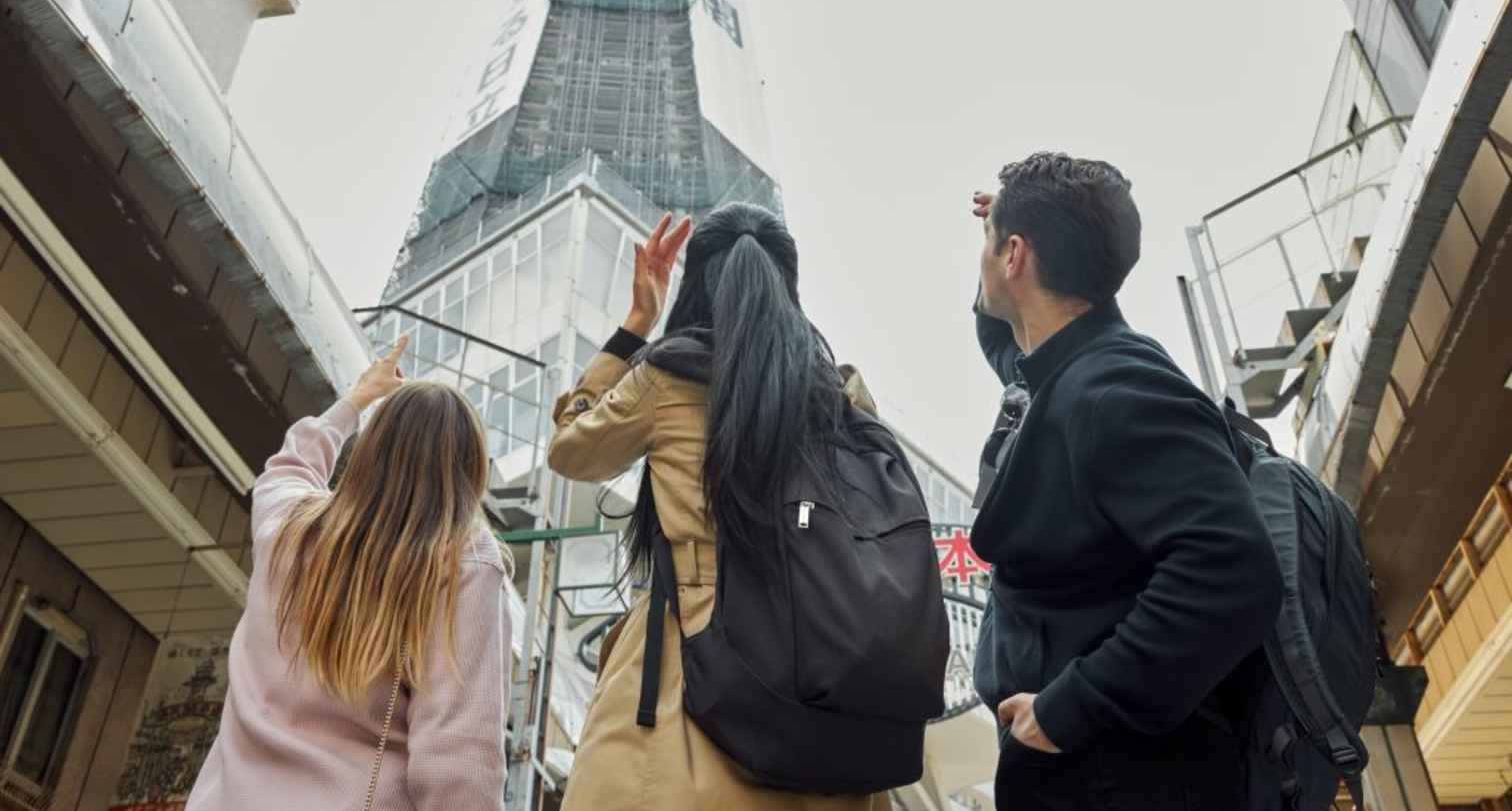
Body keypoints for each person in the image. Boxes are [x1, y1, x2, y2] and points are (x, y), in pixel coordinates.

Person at [966, 153, 1283, 810]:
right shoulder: (1073, 372)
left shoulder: (1114, 387)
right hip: (1105, 772)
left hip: (1130, 778)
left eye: (993, 245)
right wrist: (998, 243)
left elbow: (1232, 569)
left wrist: (1073, 707)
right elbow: (1010, 345)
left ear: (1015, 255)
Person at [548, 207, 891, 811]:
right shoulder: (841, 394)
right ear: (788, 285)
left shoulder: (664, 378)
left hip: (682, 678)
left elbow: (571, 452)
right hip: (822, 686)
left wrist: (636, 323)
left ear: (697, 283)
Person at [187, 337, 512, 811]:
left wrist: (357, 400)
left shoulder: (289, 526)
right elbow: (458, 766)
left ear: (369, 450)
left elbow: (290, 464)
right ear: (468, 469)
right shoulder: (463, 564)